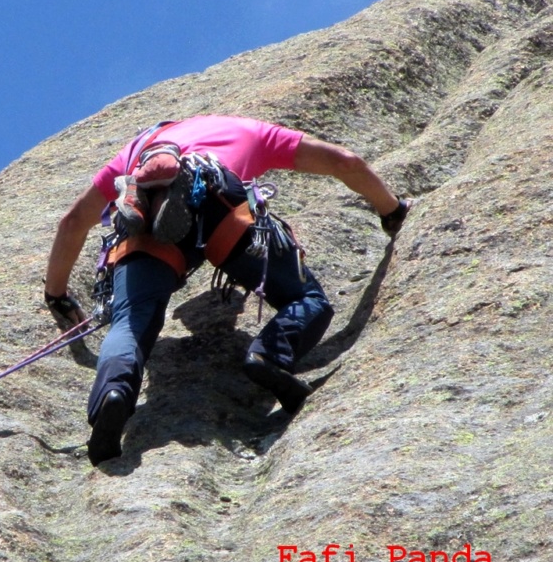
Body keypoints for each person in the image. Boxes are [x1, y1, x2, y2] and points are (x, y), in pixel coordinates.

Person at [43, 115, 410, 466]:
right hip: (221, 207)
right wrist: (390, 210)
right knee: (306, 299)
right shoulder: (245, 130)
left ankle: (114, 392)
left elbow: (72, 221)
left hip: (144, 225)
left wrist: (57, 296)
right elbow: (346, 162)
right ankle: (269, 355)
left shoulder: (136, 149)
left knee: (130, 324)